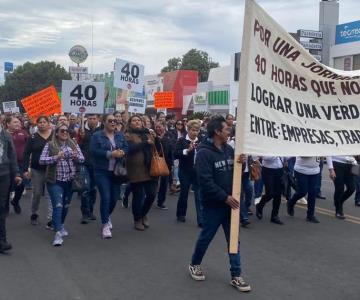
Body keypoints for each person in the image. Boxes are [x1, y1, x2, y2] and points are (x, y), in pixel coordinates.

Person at [188, 116, 251, 292]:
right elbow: (205, 182)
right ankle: (195, 263)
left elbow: (237, 176)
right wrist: (224, 197)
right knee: (206, 237)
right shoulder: (203, 153)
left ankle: (236, 275)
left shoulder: (229, 150)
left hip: (230, 204)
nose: (229, 131)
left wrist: (241, 163)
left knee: (233, 240)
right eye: (226, 128)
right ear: (217, 132)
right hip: (213, 205)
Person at [40, 124, 84, 246]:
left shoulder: (73, 144)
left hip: (69, 181)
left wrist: (76, 156)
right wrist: (56, 157)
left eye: (67, 131)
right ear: (57, 133)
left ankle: (60, 224)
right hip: (55, 182)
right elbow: (41, 160)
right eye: (62, 131)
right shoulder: (50, 145)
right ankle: (57, 233)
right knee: (58, 206)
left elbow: (82, 159)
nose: (65, 132)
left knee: (65, 206)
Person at [90, 114, 128, 238]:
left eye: (115, 121)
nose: (113, 123)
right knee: (105, 197)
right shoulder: (97, 136)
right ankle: (105, 224)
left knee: (114, 198)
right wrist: (110, 153)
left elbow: (127, 147)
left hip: (116, 171)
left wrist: (122, 152)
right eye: (110, 121)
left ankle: (106, 215)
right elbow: (94, 151)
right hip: (102, 171)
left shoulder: (120, 135)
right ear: (104, 122)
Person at [125, 115, 158, 231]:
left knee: (152, 194)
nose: (137, 122)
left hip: (150, 168)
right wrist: (146, 142)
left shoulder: (148, 133)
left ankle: (143, 213)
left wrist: (156, 138)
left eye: (139, 120)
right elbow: (130, 149)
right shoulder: (128, 135)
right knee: (138, 196)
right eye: (134, 120)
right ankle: (137, 219)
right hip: (136, 170)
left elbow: (156, 148)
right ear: (130, 123)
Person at [23, 116, 53, 227]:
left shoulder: (54, 135)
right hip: (37, 170)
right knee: (37, 193)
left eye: (44, 122)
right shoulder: (33, 137)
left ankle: (51, 219)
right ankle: (34, 213)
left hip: (52, 169)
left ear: (48, 123)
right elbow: (26, 153)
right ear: (37, 124)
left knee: (51, 194)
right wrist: (25, 169)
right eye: (40, 122)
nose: (42, 124)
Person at [175, 120, 203, 226]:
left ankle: (201, 219)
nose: (195, 132)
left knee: (199, 195)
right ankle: (181, 214)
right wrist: (187, 150)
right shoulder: (182, 140)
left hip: (198, 172)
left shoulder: (201, 141)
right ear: (188, 129)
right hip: (185, 171)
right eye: (193, 130)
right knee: (184, 193)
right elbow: (175, 154)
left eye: (197, 130)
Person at [0, 124, 22, 253]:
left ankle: (2, 241)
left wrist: (16, 174)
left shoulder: (5, 135)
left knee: (1, 207)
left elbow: (12, 156)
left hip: (4, 175)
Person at [77, 114, 102, 224]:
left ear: (98, 119)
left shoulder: (102, 130)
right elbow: (76, 145)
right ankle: (85, 213)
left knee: (93, 189)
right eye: (90, 118)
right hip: (84, 163)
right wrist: (80, 138)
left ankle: (90, 210)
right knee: (85, 188)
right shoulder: (81, 130)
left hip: (97, 164)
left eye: (94, 118)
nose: (92, 120)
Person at [5, 116, 28, 214]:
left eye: (18, 122)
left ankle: (15, 201)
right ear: (8, 124)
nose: (18, 124)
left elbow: (29, 146)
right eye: (15, 122)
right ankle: (5, 205)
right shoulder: (3, 134)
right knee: (6, 186)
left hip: (21, 164)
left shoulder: (23, 133)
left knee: (21, 184)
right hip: (6, 165)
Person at [287, 157, 321, 223]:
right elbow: (302, 155)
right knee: (302, 191)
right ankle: (291, 202)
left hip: (315, 171)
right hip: (301, 170)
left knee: (312, 193)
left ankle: (310, 215)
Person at [255, 156, 285, 225]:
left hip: (279, 170)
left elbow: (285, 157)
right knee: (270, 193)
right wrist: (278, 152)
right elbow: (266, 158)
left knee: (278, 194)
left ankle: (274, 216)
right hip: (268, 170)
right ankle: (259, 206)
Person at [154, 120, 173, 210]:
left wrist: (172, 164)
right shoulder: (153, 136)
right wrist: (157, 139)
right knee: (154, 182)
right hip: (155, 162)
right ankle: (150, 198)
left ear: (164, 126)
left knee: (164, 183)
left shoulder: (169, 135)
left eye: (160, 127)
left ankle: (161, 202)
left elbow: (171, 150)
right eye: (156, 127)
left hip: (166, 162)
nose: (158, 128)